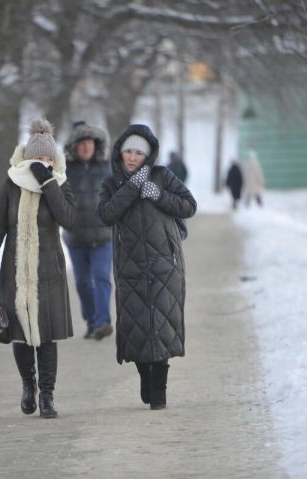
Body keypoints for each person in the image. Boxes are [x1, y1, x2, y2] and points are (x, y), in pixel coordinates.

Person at [0, 118, 76, 419]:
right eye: (37, 158)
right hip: (16, 271)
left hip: (48, 271)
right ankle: (27, 385)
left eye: (48, 158)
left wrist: (47, 183)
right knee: (19, 334)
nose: (43, 162)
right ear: (26, 157)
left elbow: (69, 218)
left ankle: (47, 395)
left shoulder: (60, 183)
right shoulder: (11, 184)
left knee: (46, 335)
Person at [97, 124, 197, 410]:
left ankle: (160, 393)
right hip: (130, 266)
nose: (132, 157)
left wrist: (157, 194)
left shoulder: (162, 176)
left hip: (165, 263)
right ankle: (144, 373)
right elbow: (106, 214)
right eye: (128, 151)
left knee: (161, 327)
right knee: (137, 327)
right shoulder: (111, 183)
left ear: (148, 155)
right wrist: (133, 187)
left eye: (138, 153)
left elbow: (189, 206)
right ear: (120, 152)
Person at [62, 121, 113, 340]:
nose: (86, 147)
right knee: (83, 283)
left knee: (101, 277)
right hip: (76, 238)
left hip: (104, 236)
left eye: (90, 143)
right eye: (82, 143)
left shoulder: (108, 167)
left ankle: (103, 322)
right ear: (74, 146)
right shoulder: (63, 170)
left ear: (96, 145)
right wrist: (67, 221)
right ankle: (92, 320)